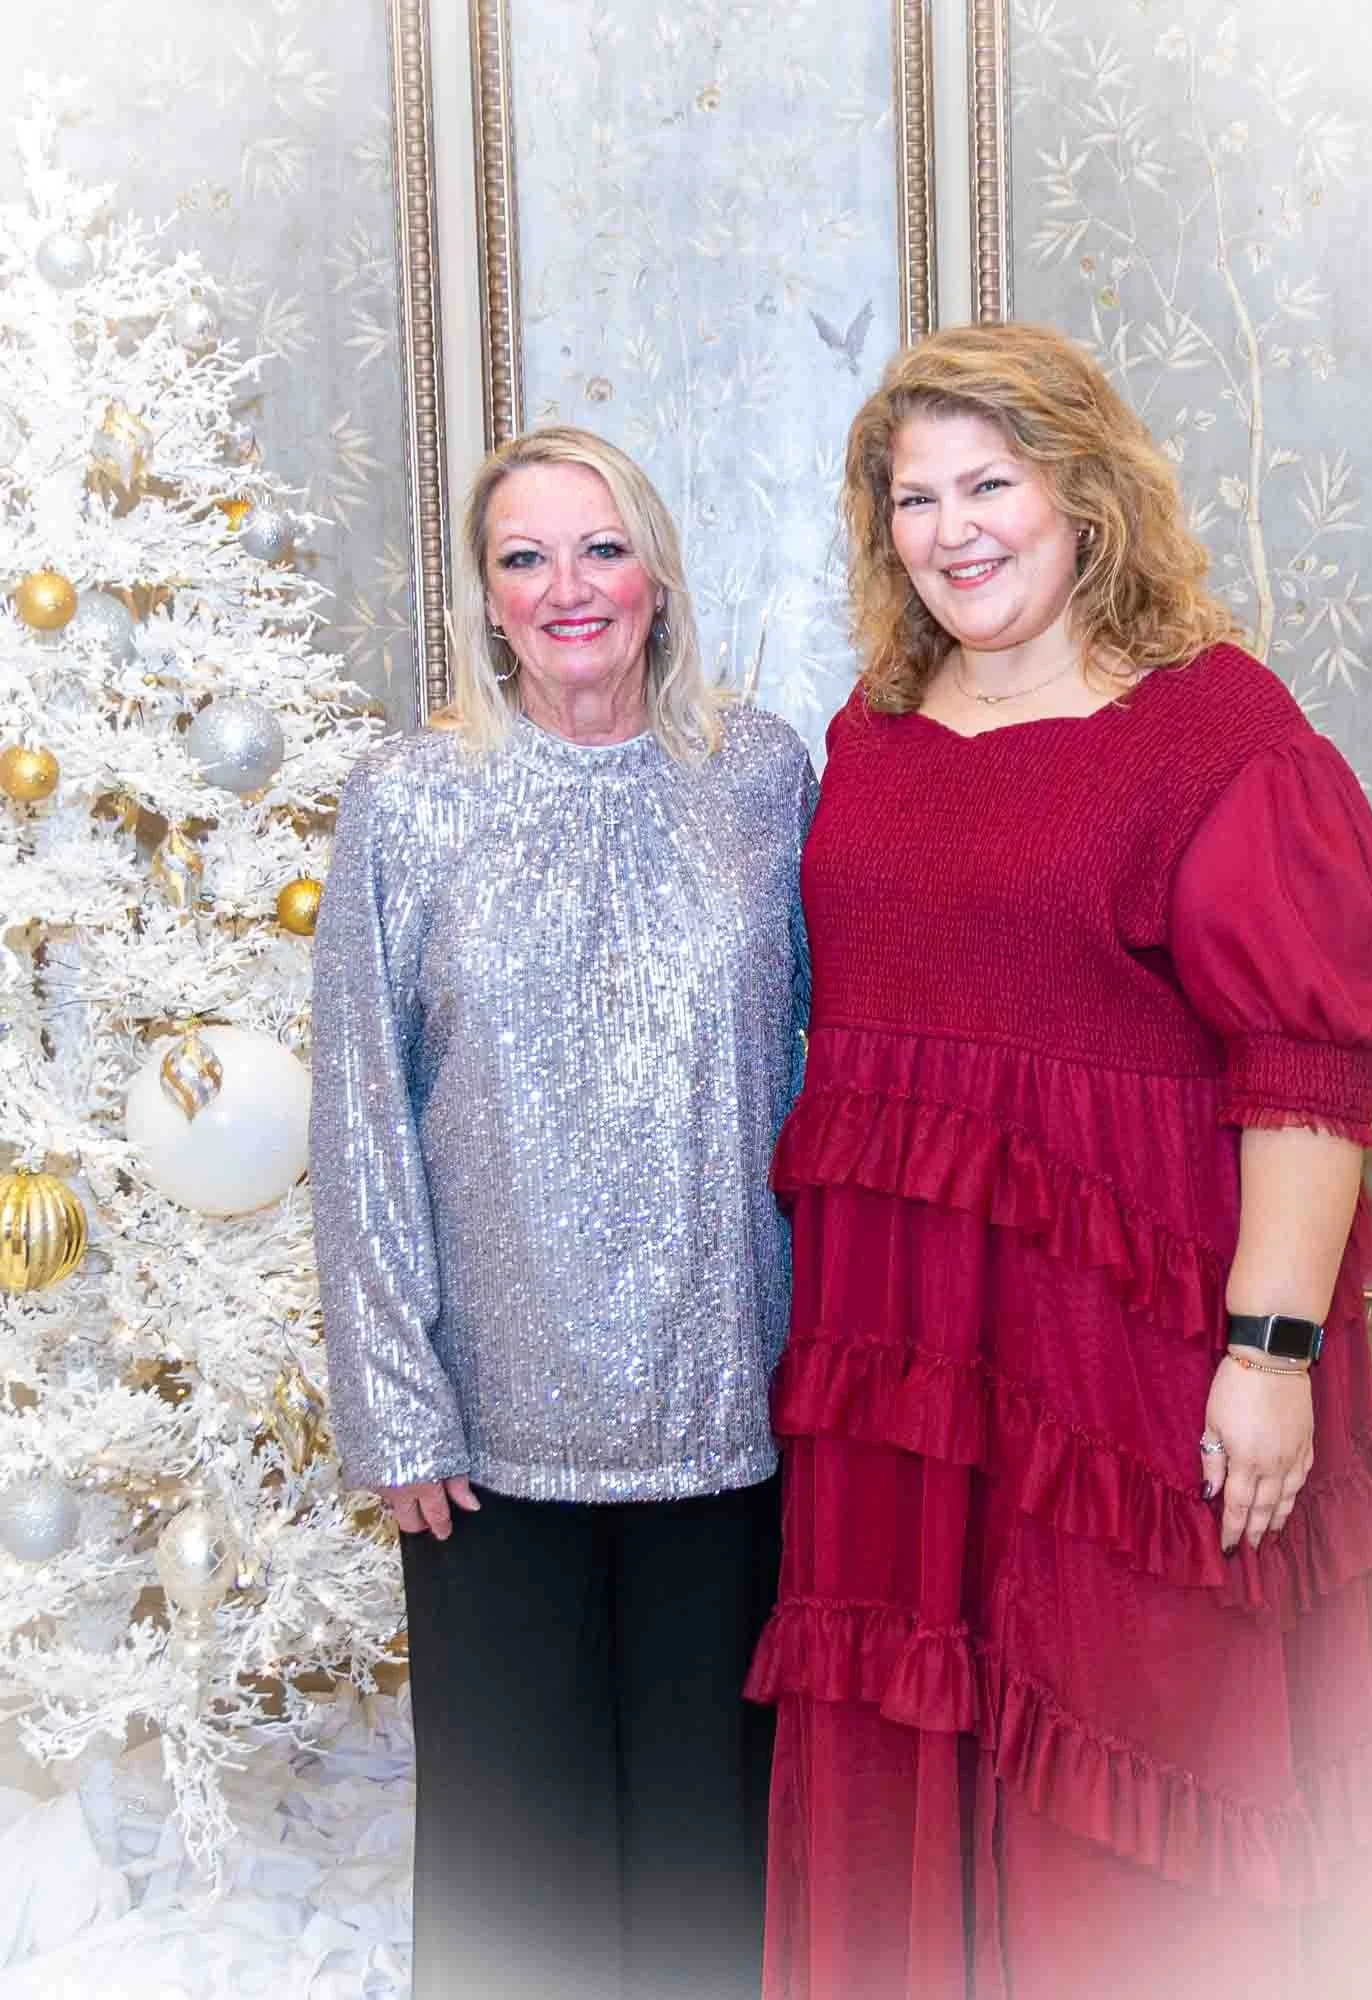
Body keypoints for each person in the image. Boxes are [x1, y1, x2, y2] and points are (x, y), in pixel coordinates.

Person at [745, 325, 1372, 2000]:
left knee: (1134, 1750)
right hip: (905, 1355)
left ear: (1085, 497)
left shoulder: (1220, 733)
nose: (954, 529)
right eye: (916, 497)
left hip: (1131, 1351)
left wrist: (1268, 1355)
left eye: (993, 483)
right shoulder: (879, 730)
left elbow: (1309, 1071)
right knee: (924, 1734)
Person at [309, 425, 813, 2000]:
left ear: (657, 574)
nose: (567, 587)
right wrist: (398, 1403)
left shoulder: (765, 776)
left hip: (726, 1396)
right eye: (524, 557)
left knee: (703, 1845)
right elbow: (358, 1118)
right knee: (512, 1861)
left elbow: (830, 1062)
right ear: (486, 599)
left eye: (600, 548)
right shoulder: (406, 801)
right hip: (485, 1422)